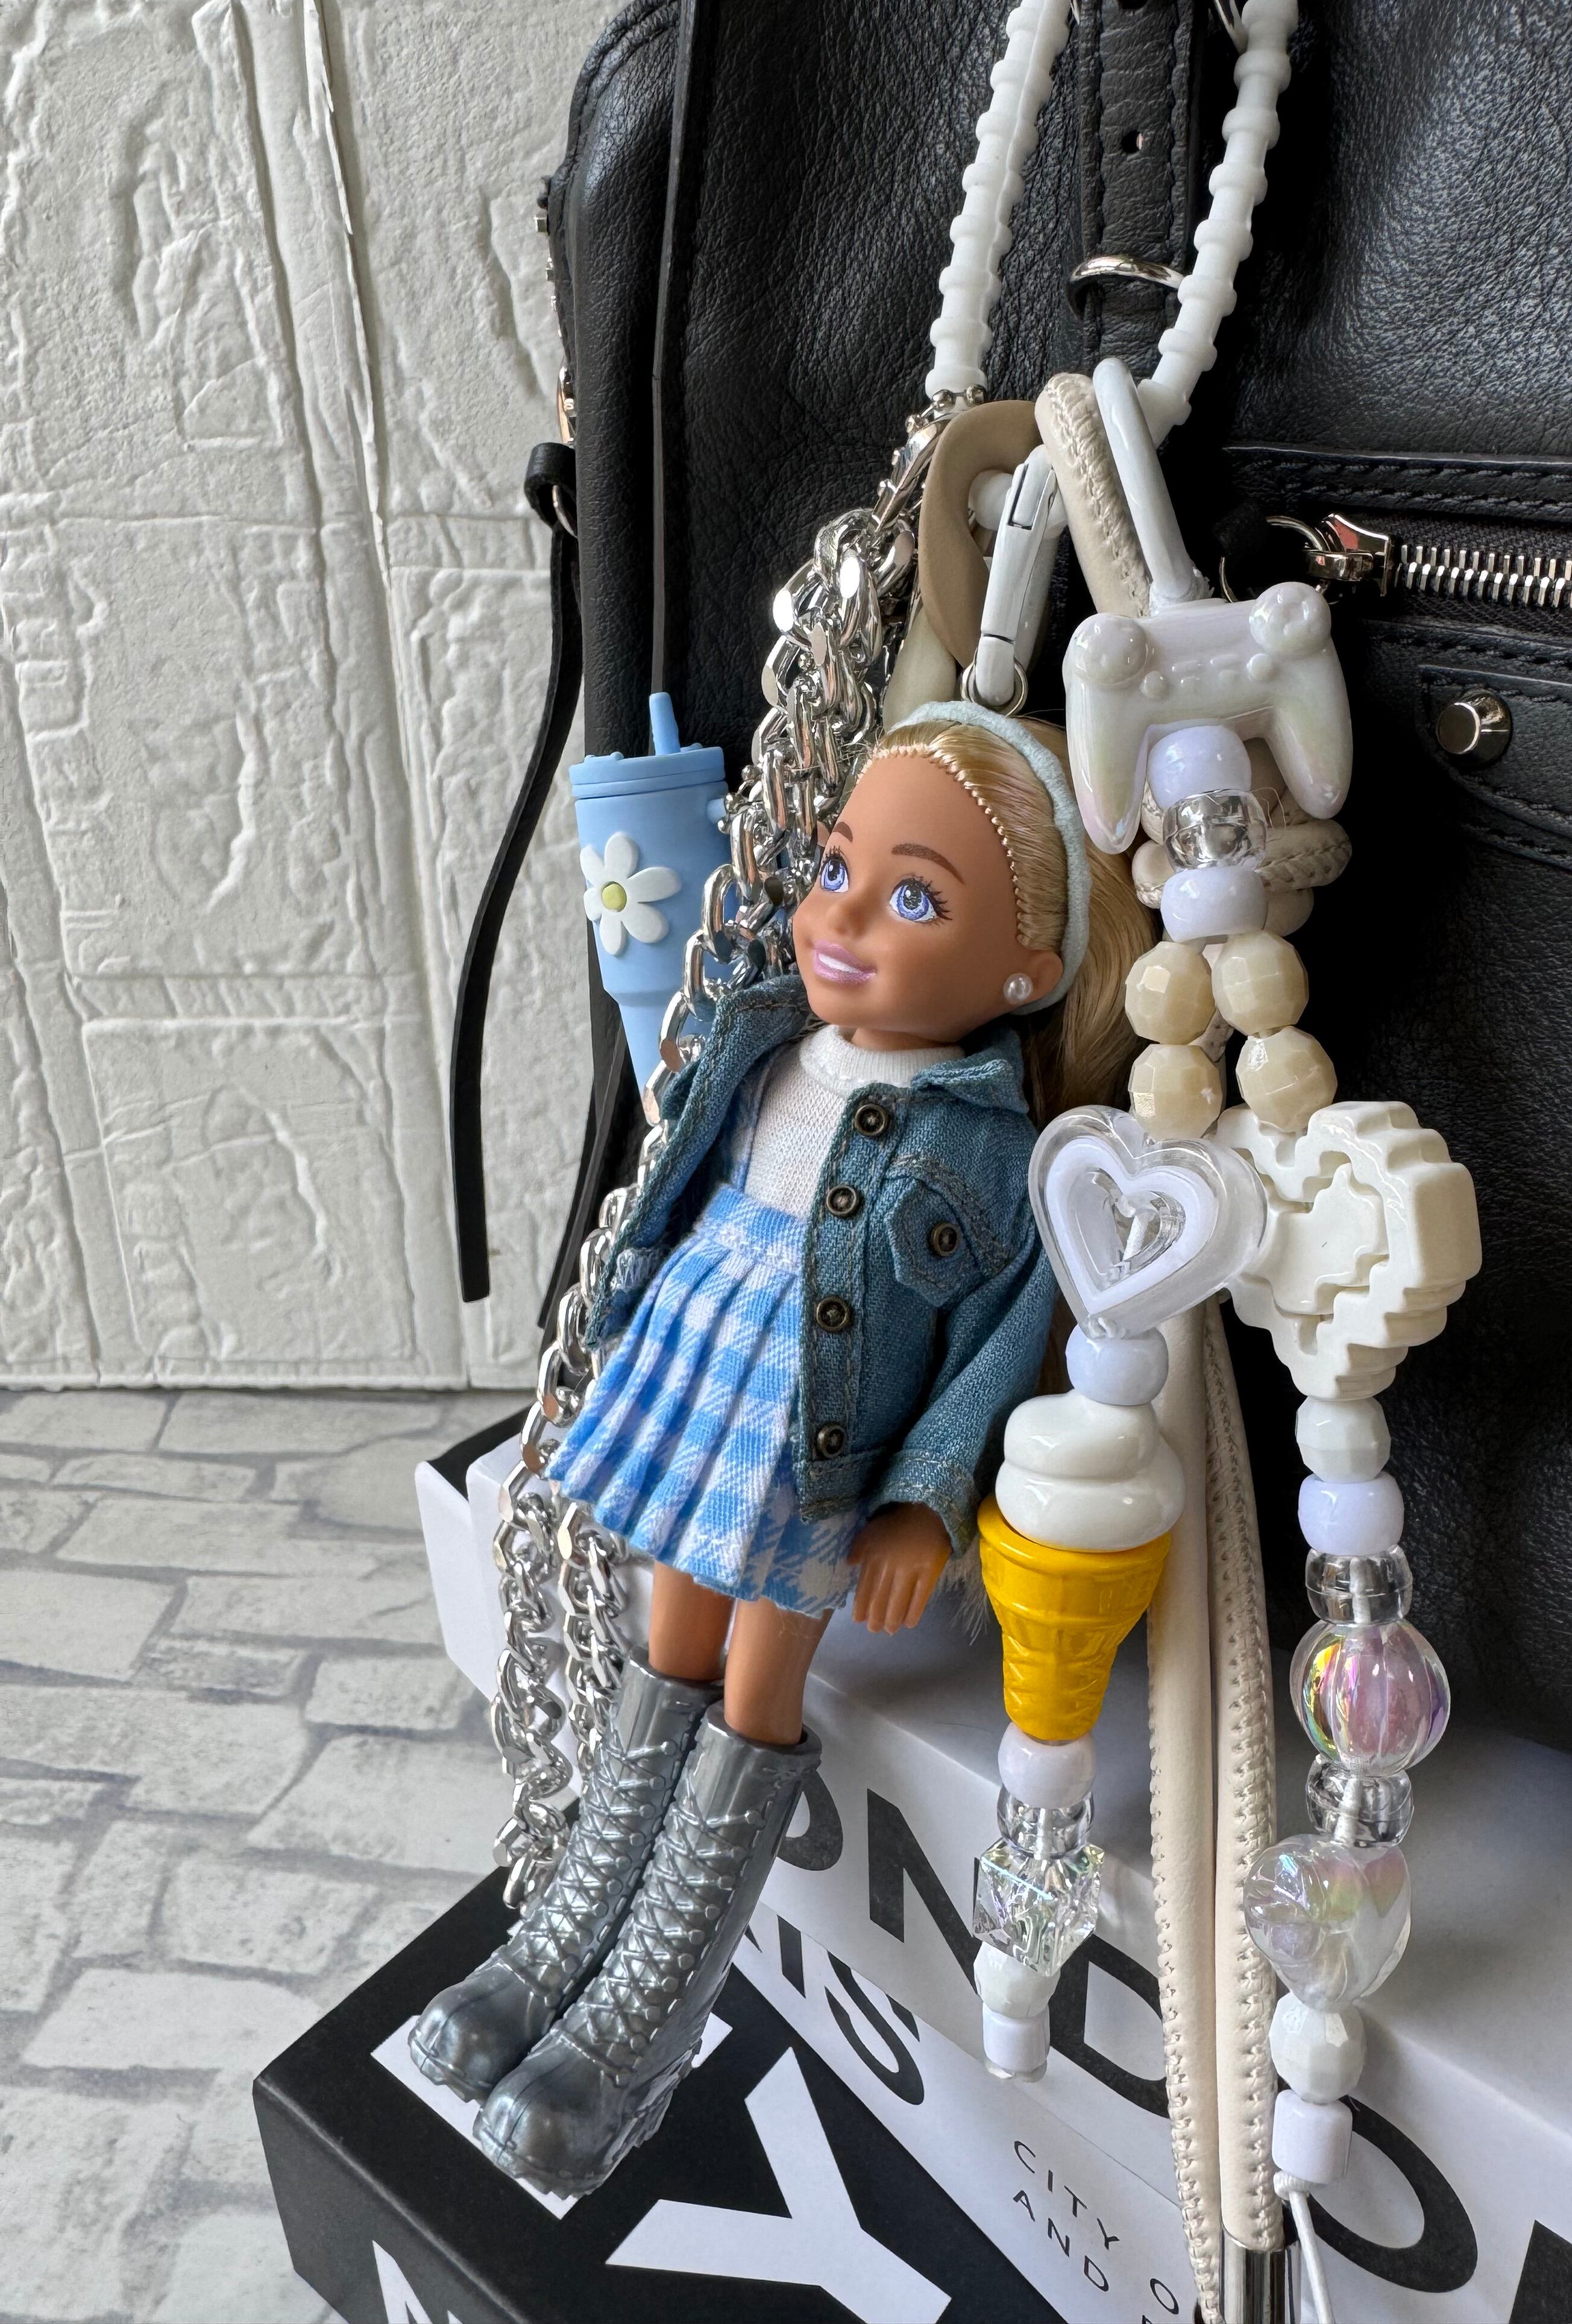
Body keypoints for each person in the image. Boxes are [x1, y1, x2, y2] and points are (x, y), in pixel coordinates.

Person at [411, 702, 1147, 2196]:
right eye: (835, 869)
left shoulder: (998, 1153)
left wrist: (925, 1504)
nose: (844, 919)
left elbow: (1002, 1344)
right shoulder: (763, 1038)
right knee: (662, 1647)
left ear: (1030, 970)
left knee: (754, 1690)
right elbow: (674, 1191)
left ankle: (638, 2021)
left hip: (814, 1447)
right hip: (697, 1386)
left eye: (915, 900)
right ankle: (555, 1940)